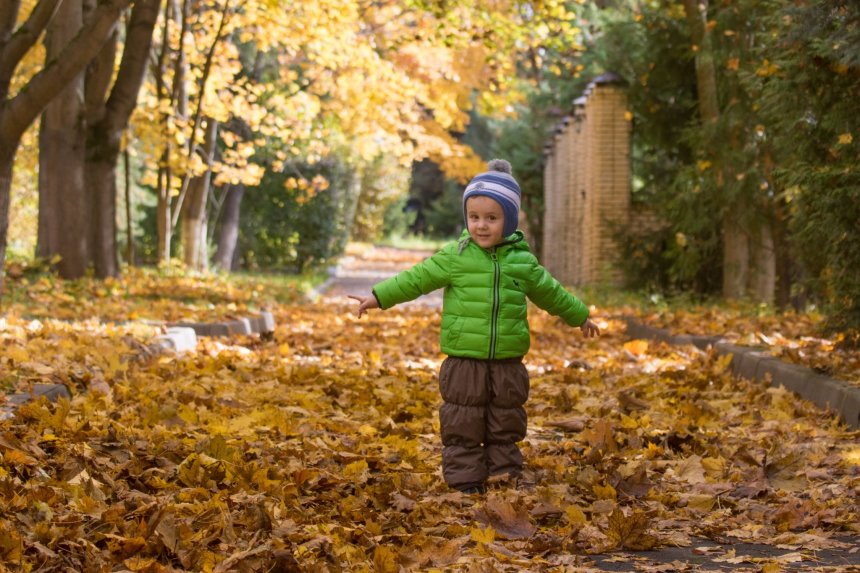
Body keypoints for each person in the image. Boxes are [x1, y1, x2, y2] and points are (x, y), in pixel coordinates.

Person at [349, 159, 600, 494]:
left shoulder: (522, 262)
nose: (481, 225)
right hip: (464, 359)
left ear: (509, 221)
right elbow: (416, 279)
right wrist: (378, 297)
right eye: (474, 217)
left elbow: (551, 293)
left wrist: (579, 315)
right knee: (462, 422)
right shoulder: (456, 256)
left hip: (508, 361)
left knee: (506, 421)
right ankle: (465, 481)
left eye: (492, 218)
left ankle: (504, 475)